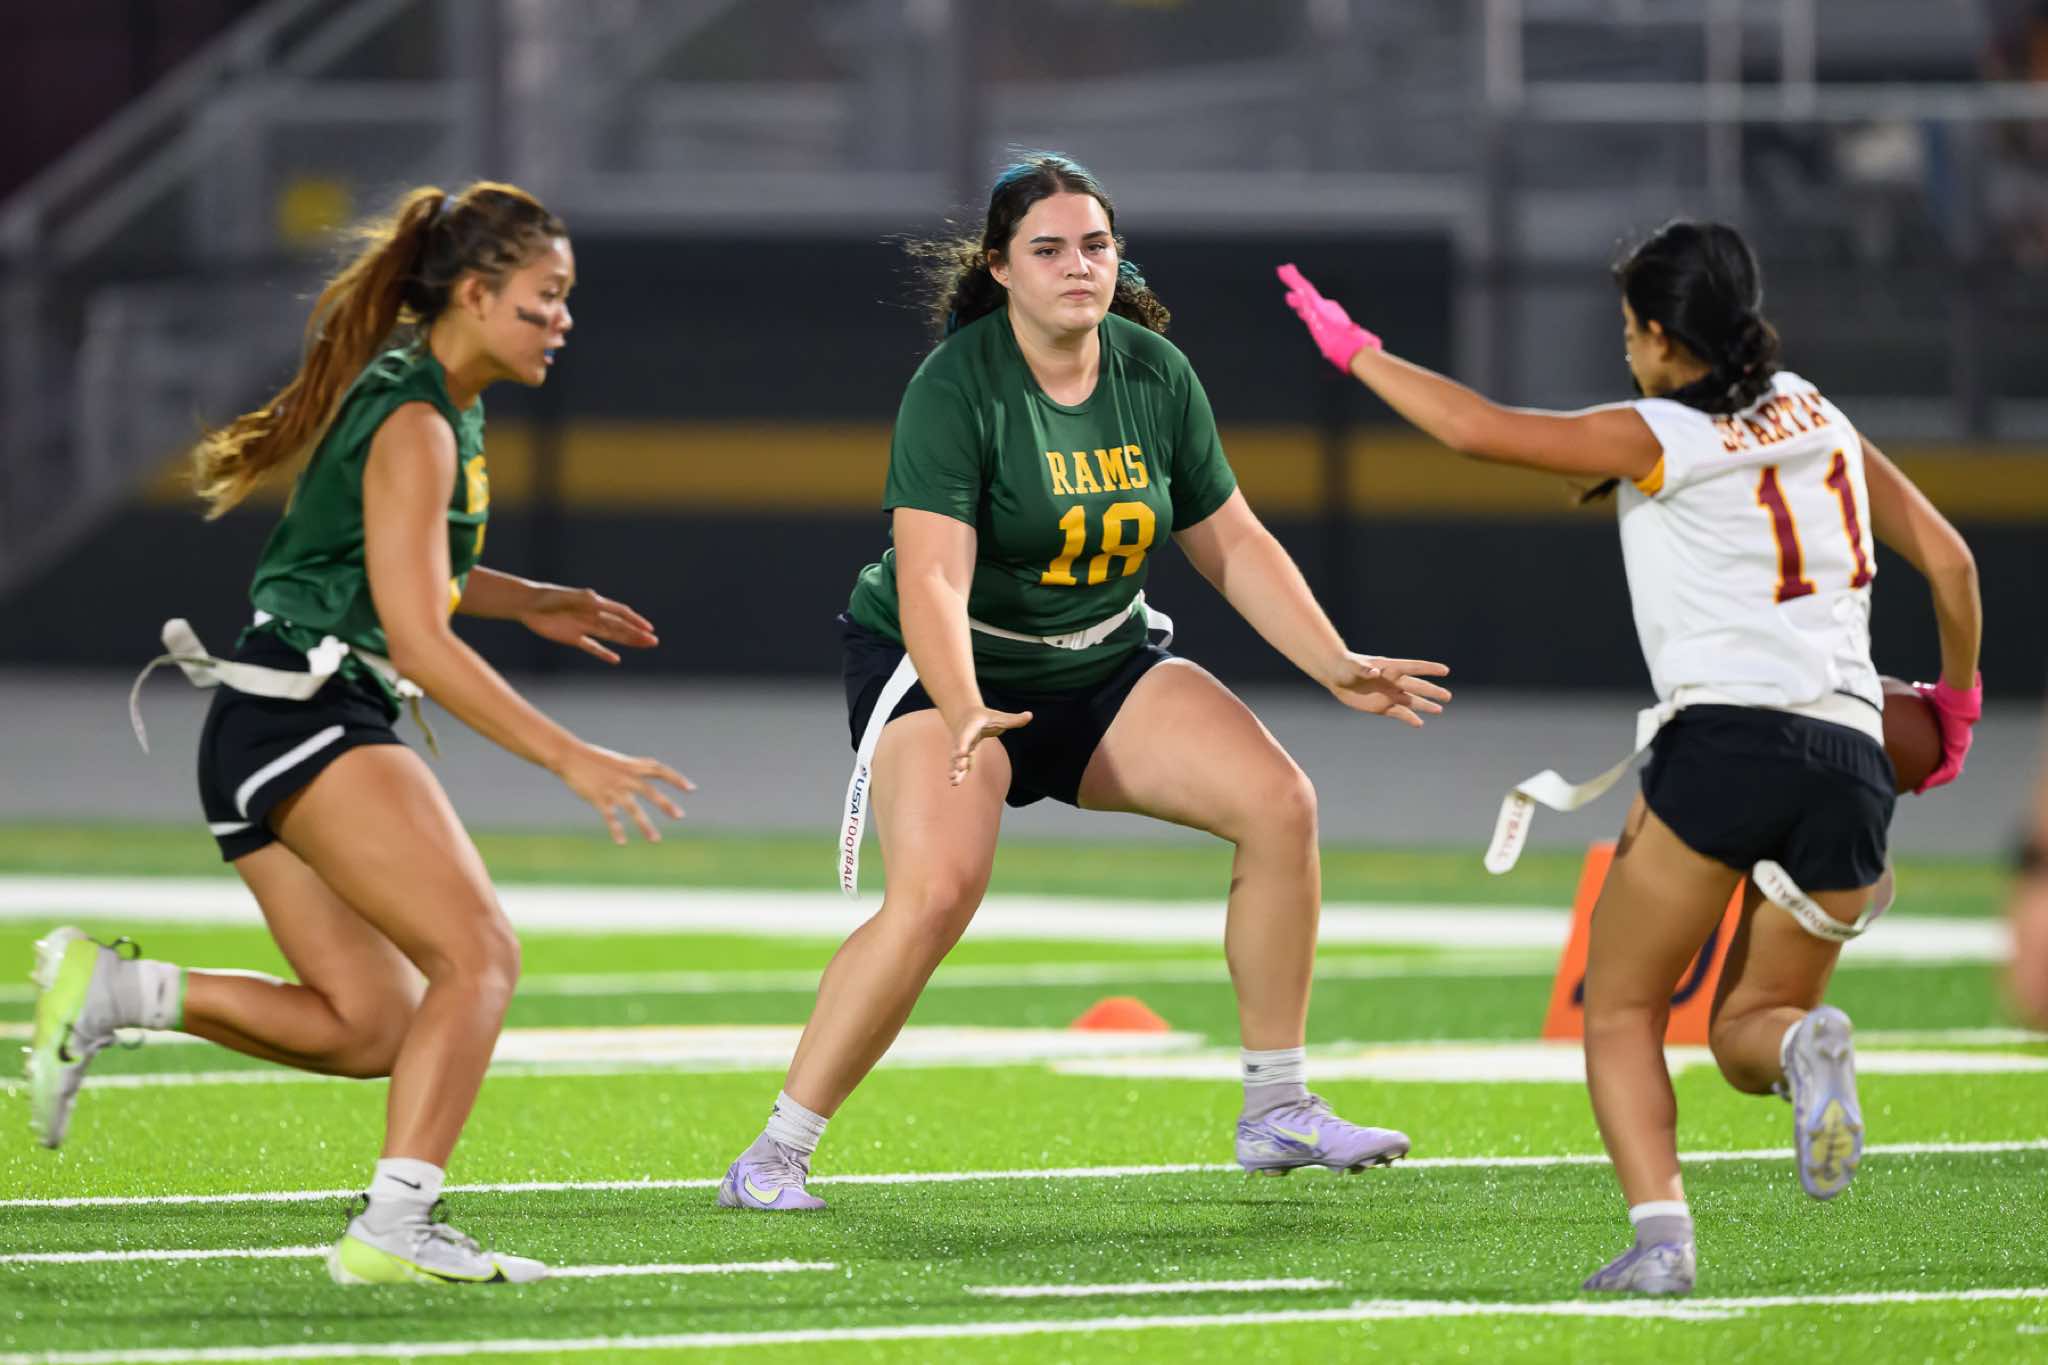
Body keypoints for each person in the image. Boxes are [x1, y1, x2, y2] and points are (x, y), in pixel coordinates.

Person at [716, 153, 1451, 1212]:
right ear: (1000, 268)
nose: (1077, 266)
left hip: (1101, 658)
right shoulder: (956, 384)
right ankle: (774, 1154)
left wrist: (1332, 661)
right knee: (935, 893)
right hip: (950, 671)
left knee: (1279, 802)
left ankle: (1277, 1106)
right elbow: (930, 575)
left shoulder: (1154, 371)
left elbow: (1232, 542)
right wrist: (962, 703)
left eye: (1095, 245)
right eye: (1049, 248)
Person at [1274, 221, 1982, 1295]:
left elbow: (1475, 430)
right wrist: (1956, 702)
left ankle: (1663, 1243)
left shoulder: (1660, 433)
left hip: (1725, 745)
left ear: (1659, 333)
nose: (1624, 346)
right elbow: (1951, 561)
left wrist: (1355, 350)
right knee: (1750, 1027)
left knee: (1620, 1009)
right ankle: (1802, 1052)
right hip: (1851, 756)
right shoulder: (1820, 412)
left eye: (1626, 328)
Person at [26, 182, 692, 1285]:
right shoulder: (420, 418)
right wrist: (569, 755)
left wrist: (528, 597)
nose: (562, 318)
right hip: (307, 711)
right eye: (545, 295)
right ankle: (394, 1229)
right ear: (474, 294)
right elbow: (419, 636)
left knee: (370, 1027)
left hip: (268, 723)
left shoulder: (435, 399)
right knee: (479, 956)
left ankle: (117, 993)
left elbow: (398, 566)